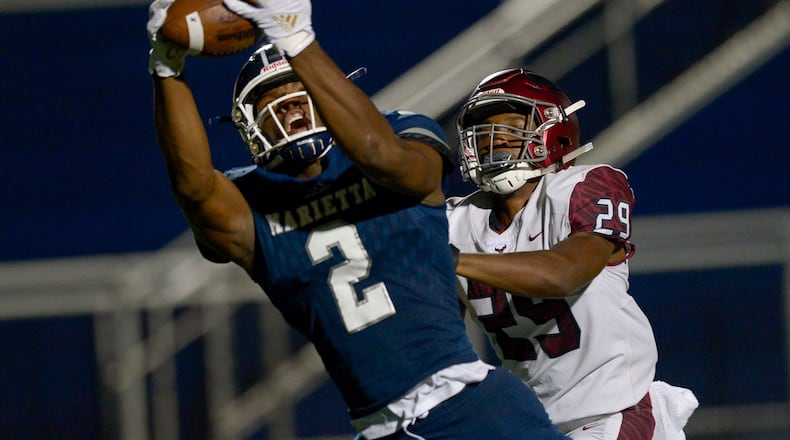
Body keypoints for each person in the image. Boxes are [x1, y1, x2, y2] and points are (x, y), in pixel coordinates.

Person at [147, 0, 570, 438]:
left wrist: (295, 36)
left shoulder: (402, 134)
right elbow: (194, 186)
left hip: (469, 404)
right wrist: (166, 67)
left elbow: (383, 157)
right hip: (377, 429)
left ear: (328, 94)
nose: (290, 111)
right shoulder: (250, 200)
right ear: (249, 128)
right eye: (271, 104)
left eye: (298, 95)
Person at [446, 69, 699, 439]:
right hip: (536, 426)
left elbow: (564, 273)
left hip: (615, 413)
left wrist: (451, 261)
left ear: (552, 130)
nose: (496, 137)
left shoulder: (585, 186)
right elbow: (438, 335)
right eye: (485, 129)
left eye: (513, 123)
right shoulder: (456, 221)